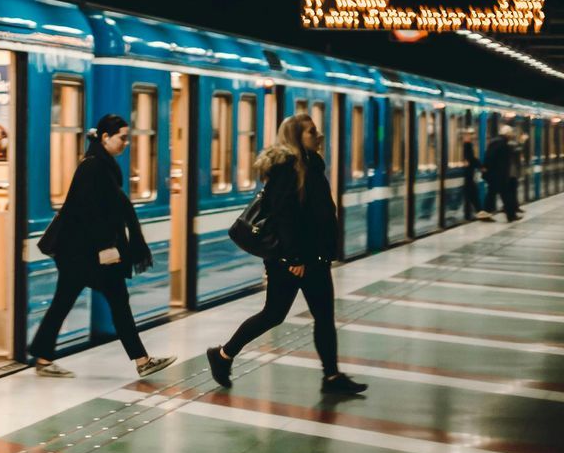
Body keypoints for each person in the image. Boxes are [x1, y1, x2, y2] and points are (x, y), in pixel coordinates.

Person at [208, 114, 368, 396]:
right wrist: (293, 259)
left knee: (324, 316)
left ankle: (331, 377)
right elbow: (285, 217)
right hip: (291, 260)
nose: (317, 135)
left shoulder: (311, 164)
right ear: (296, 136)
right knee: (273, 315)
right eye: (311, 132)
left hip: (313, 257)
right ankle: (222, 355)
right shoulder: (286, 168)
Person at [28, 114, 176, 379]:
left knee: (69, 301)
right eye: (122, 137)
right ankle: (142, 360)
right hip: (83, 252)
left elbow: (110, 208)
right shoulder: (94, 167)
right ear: (106, 138)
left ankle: (43, 354)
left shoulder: (101, 165)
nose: (126, 143)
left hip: (78, 251)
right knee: (116, 301)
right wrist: (106, 248)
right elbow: (88, 213)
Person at [484, 125, 522, 222]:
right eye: (510, 134)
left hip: (495, 174)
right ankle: (511, 215)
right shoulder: (502, 144)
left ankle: (485, 214)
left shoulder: (495, 142)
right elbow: (495, 159)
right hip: (499, 175)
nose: (511, 136)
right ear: (507, 134)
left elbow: (489, 158)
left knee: (491, 194)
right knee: (506, 195)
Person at [459, 129, 483, 220]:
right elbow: (471, 159)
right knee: (472, 192)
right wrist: (480, 166)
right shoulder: (467, 146)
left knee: (471, 193)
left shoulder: (467, 145)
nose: (470, 137)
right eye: (468, 135)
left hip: (469, 174)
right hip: (469, 174)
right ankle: (478, 211)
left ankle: (476, 211)